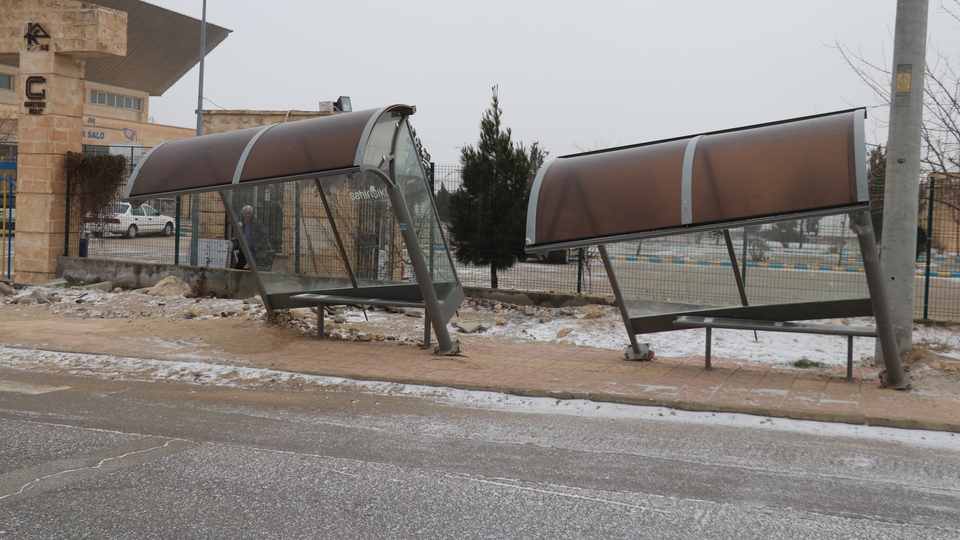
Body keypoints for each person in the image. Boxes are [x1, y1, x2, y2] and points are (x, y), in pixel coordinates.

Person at [231, 205, 270, 270]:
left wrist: (258, 246)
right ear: (243, 214)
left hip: (254, 249)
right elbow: (244, 235)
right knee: (238, 267)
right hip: (244, 248)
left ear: (252, 214)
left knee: (253, 268)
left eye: (249, 213)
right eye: (245, 214)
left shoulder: (258, 223)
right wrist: (237, 239)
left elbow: (265, 235)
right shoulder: (243, 223)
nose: (247, 215)